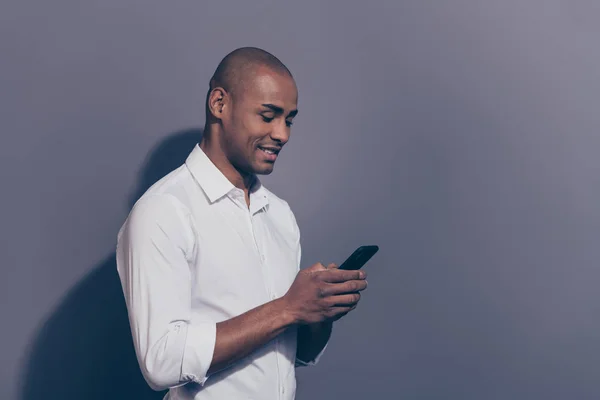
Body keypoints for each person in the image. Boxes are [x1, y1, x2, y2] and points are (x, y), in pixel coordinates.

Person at [116, 47, 368, 400]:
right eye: (268, 116)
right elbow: (161, 360)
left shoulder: (280, 215)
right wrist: (289, 307)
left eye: (289, 120)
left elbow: (290, 358)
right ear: (219, 104)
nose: (282, 134)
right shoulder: (163, 211)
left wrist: (318, 311)